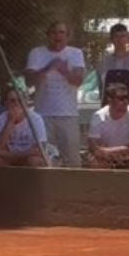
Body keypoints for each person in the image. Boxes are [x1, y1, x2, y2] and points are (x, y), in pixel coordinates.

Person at [24, 22, 85, 167]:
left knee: (72, 159)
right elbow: (29, 81)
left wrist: (63, 70)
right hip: (42, 115)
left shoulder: (75, 53)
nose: (57, 36)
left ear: (67, 36)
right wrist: (48, 67)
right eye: (53, 33)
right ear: (48, 35)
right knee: (45, 158)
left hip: (68, 114)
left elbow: (78, 80)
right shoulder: (37, 53)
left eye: (61, 33)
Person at [0, 90, 49, 167]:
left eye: (20, 100)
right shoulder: (1, 118)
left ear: (25, 103)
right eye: (12, 101)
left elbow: (39, 150)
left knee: (35, 161)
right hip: (8, 159)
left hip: (26, 158)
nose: (16, 104)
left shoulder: (36, 119)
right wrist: (10, 121)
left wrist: (14, 156)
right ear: (6, 104)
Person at [87, 83, 129, 169]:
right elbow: (93, 146)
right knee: (94, 162)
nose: (125, 101)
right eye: (121, 98)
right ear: (110, 100)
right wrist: (107, 154)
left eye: (127, 97)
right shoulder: (98, 116)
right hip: (106, 158)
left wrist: (109, 151)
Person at [96, 23, 129, 110]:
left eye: (123, 36)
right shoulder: (102, 63)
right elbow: (101, 89)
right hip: (108, 113)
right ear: (112, 40)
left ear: (128, 39)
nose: (120, 40)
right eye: (116, 36)